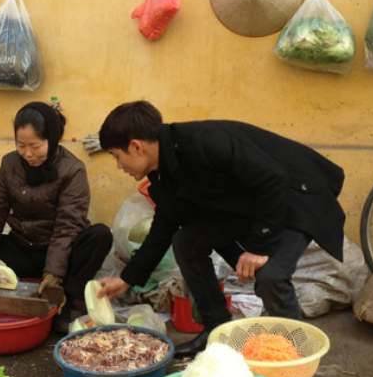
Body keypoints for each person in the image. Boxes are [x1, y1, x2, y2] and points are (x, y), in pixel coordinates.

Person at [95, 100, 345, 356]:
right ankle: (216, 333)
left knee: (271, 276)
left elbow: (272, 180)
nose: (119, 166)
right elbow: (164, 226)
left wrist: (258, 248)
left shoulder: (205, 141)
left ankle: (293, 356)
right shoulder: (163, 173)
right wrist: (128, 279)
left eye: (116, 156)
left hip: (294, 201)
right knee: (187, 241)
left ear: (136, 147)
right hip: (251, 208)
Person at [0, 101, 113, 330]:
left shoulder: (72, 169)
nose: (28, 154)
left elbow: (68, 226)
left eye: (35, 146)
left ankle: (70, 303)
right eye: (21, 145)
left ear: (51, 138)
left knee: (99, 236)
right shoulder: (10, 164)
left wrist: (54, 274)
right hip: (21, 248)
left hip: (58, 253)